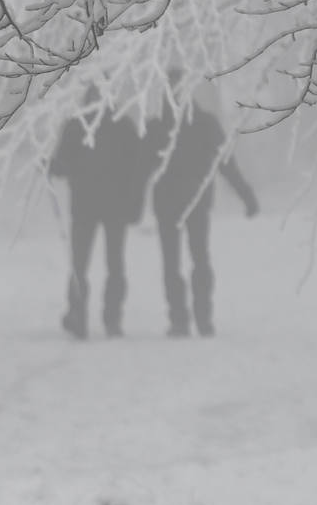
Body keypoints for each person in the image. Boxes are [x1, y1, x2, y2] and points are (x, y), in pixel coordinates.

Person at [147, 96, 259, 337]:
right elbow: (226, 163)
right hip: (193, 201)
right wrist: (246, 195)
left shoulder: (159, 126)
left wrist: (246, 195)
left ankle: (182, 319)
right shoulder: (203, 123)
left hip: (172, 204)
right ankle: (200, 319)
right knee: (195, 259)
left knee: (175, 262)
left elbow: (139, 168)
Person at [48, 94, 158, 339]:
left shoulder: (76, 126)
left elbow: (63, 165)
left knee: (79, 264)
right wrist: (135, 203)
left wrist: (49, 166)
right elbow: (137, 168)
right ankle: (113, 318)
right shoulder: (124, 126)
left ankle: (78, 315)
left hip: (84, 205)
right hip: (116, 207)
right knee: (115, 263)